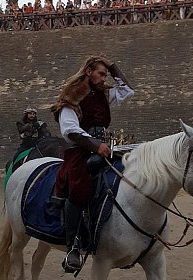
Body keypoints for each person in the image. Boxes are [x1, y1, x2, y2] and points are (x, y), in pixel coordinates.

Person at [50, 55, 134, 272]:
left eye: (106, 74)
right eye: (101, 73)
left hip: (104, 148)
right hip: (80, 150)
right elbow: (69, 129)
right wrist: (94, 145)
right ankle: (73, 247)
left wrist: (112, 65)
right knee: (79, 185)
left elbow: (127, 90)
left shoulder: (103, 94)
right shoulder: (72, 95)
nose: (104, 77)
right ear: (88, 71)